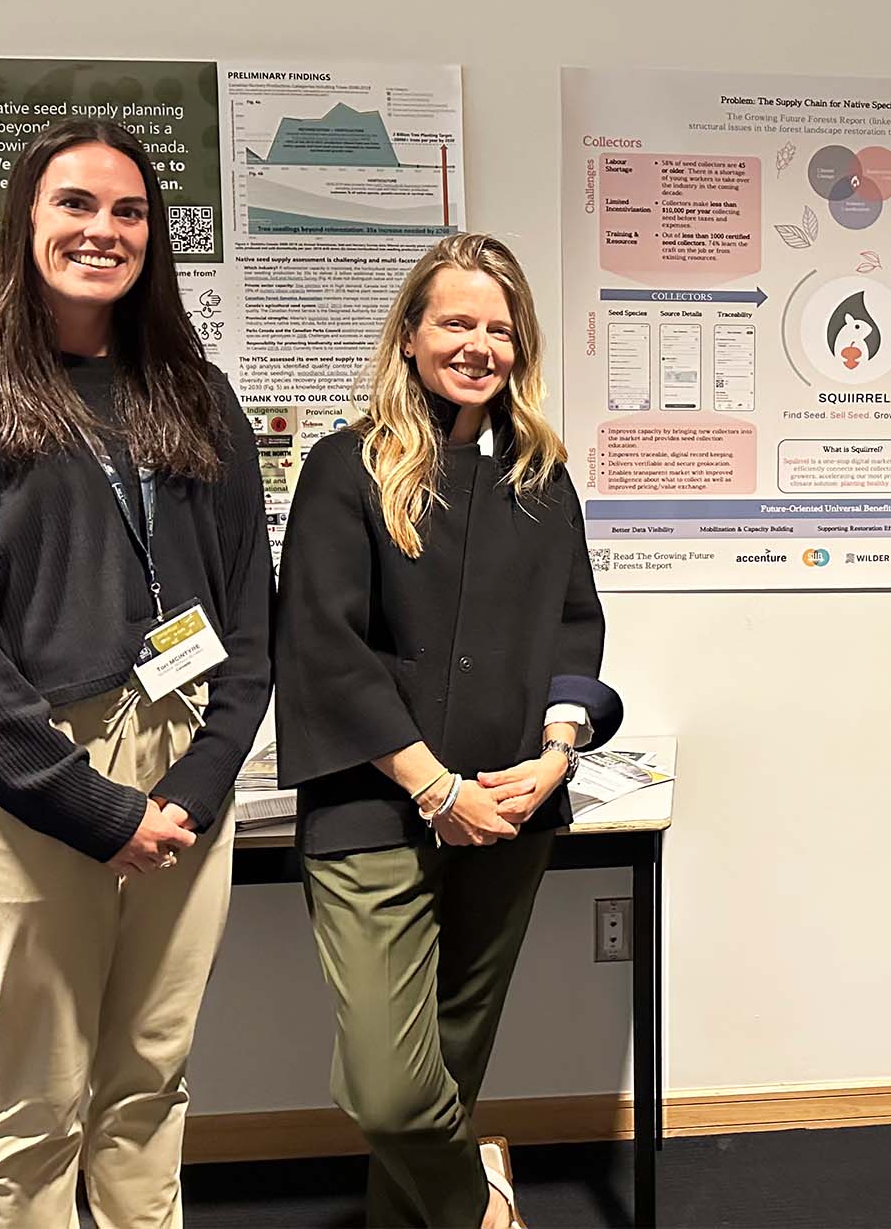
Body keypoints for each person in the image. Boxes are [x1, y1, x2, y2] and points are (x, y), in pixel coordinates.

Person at [0, 119, 271, 1227]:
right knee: (36, 1101)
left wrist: (193, 788)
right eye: (75, 205)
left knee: (149, 1082)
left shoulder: (194, 393)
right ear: (24, 223)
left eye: (128, 211)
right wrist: (93, 808)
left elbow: (249, 618)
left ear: (154, 235)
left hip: (187, 771)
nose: (103, 230)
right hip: (39, 778)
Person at [275, 232, 619, 1229]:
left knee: (452, 1069)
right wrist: (434, 787)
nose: (477, 345)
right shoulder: (347, 467)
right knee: (389, 1088)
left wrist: (556, 755)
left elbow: (573, 623)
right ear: (412, 335)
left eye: (498, 328)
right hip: (373, 807)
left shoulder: (538, 476)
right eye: (456, 322)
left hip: (509, 806)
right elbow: (323, 647)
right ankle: (485, 1204)